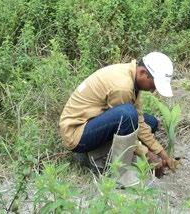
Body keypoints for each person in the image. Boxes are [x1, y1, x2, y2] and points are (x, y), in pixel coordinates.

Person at [59, 52, 178, 185]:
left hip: (93, 121)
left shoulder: (132, 77)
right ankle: (116, 171)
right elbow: (127, 120)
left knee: (150, 122)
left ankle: (108, 151)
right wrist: (148, 156)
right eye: (153, 84)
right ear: (143, 72)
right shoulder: (123, 87)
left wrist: (162, 153)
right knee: (127, 114)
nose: (153, 90)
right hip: (77, 134)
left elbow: (138, 119)